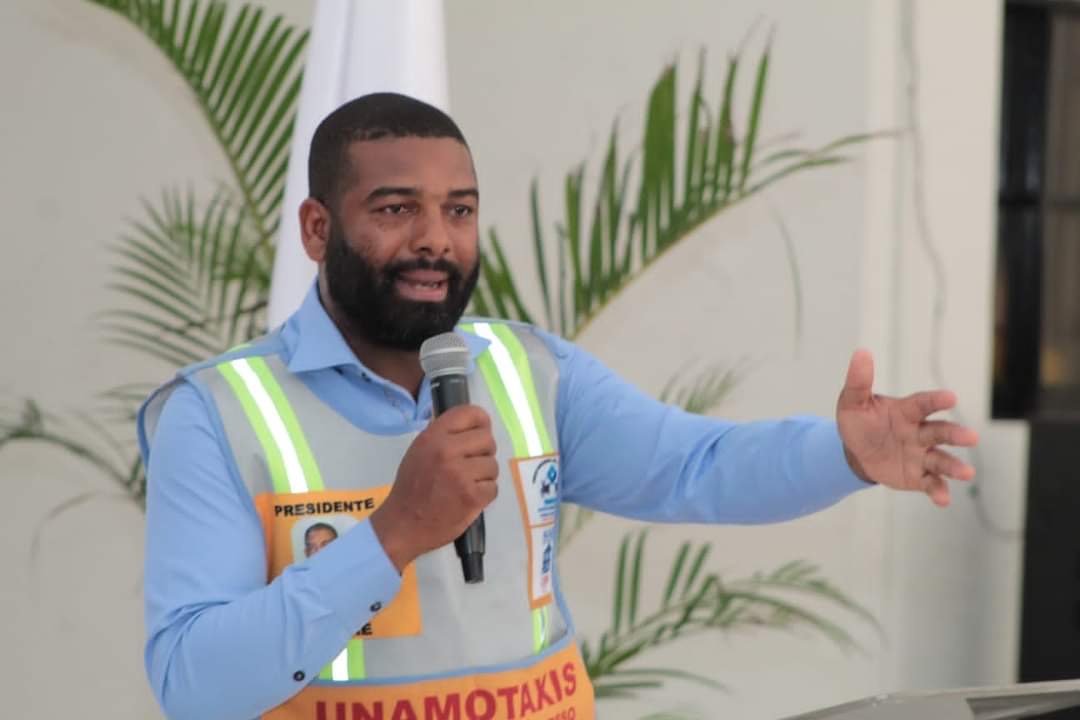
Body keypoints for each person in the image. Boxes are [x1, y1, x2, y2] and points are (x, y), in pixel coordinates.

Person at [137, 92, 978, 720]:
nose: (435, 239)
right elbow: (193, 683)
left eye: (459, 211)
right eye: (396, 209)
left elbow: (697, 468)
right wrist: (393, 534)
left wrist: (843, 455)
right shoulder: (216, 413)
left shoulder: (529, 371)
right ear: (317, 229)